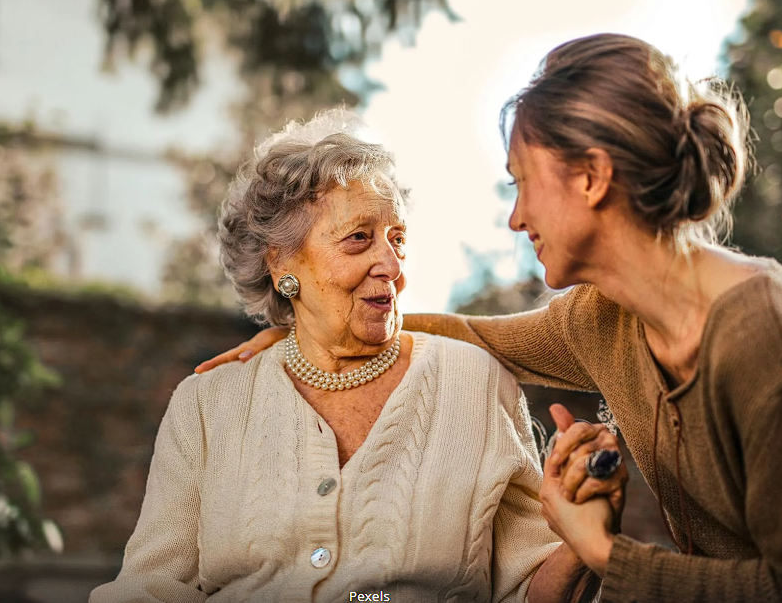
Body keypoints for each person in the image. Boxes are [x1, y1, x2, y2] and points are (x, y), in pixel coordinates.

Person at [196, 34, 782, 603]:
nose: (516, 218)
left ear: (592, 177)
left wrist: (605, 553)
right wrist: (312, 327)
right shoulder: (605, 317)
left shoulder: (771, 348)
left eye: (521, 182)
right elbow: (476, 336)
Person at [91, 110, 613, 603]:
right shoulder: (208, 404)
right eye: (359, 239)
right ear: (281, 263)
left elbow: (525, 590)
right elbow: (149, 587)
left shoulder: (475, 384)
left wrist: (579, 541)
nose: (390, 264)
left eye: (398, 239)